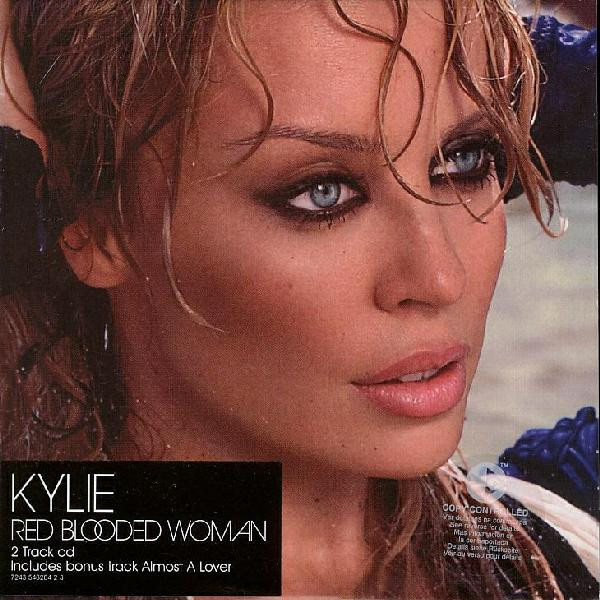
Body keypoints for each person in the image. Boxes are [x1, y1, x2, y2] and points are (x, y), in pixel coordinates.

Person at [0, 1, 597, 598]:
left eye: (465, 159)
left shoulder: (560, 529)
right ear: (96, 228)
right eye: (323, 193)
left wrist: (466, 41)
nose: (441, 279)